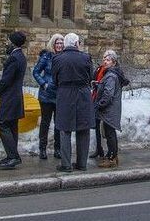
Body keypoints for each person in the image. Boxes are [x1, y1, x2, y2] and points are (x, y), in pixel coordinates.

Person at [53, 32, 92, 172]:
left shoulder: (58, 58)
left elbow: (55, 79)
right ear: (76, 43)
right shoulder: (86, 57)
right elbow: (90, 76)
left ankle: (66, 164)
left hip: (65, 93)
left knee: (65, 129)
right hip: (83, 93)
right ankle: (82, 163)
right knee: (83, 129)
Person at [0, 31, 27, 170]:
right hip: (15, 96)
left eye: (8, 41)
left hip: (10, 96)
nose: (7, 43)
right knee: (12, 125)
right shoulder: (21, 56)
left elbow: (6, 79)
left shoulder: (14, 58)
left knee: (2, 123)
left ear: (13, 43)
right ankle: (11, 155)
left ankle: (13, 156)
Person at [94, 50, 128, 167]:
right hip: (111, 109)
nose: (105, 61)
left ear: (113, 63)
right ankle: (111, 155)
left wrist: (99, 104)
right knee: (109, 132)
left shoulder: (111, 76)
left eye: (108, 60)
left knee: (110, 133)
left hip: (110, 109)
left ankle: (112, 158)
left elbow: (108, 94)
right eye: (104, 59)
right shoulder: (110, 74)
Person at [33, 33, 63, 160]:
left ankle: (57, 149)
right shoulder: (46, 56)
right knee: (45, 122)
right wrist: (43, 83)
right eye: (57, 43)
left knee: (58, 123)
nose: (60, 45)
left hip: (60, 95)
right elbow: (36, 72)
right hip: (46, 95)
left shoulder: (64, 57)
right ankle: (42, 149)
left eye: (62, 43)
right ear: (53, 44)